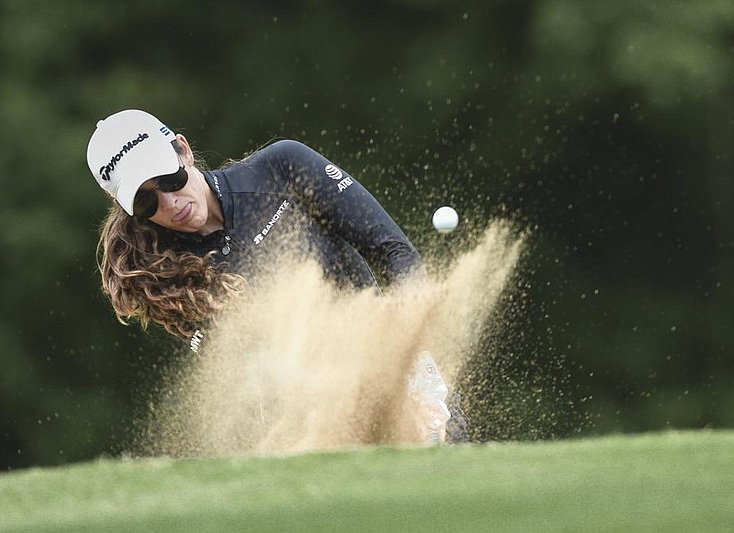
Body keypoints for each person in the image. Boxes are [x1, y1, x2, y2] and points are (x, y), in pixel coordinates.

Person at [87, 109, 468, 442]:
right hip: (311, 414)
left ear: (183, 151)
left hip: (393, 359)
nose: (170, 203)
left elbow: (393, 251)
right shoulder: (163, 275)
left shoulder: (281, 168)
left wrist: (417, 365)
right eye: (146, 201)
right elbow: (254, 376)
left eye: (169, 180)